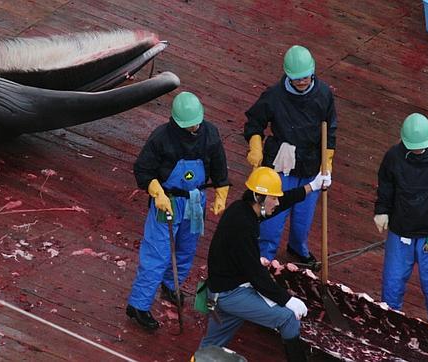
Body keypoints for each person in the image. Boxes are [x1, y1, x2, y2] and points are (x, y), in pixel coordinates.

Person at [199, 167, 331, 362]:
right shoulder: (243, 226)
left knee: (211, 346)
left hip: (220, 288)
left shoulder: (243, 209)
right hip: (230, 294)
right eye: (273, 198)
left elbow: (282, 201)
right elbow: (256, 275)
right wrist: (287, 300)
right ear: (259, 197)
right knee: (287, 318)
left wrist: (311, 186)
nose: (277, 203)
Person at [126, 91, 230, 330]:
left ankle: (171, 286)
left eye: (197, 123)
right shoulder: (161, 138)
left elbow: (219, 166)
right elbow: (143, 169)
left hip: (194, 201)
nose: (194, 127)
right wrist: (157, 191)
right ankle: (138, 305)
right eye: (189, 124)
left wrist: (221, 193)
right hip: (168, 201)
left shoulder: (210, 133)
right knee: (157, 253)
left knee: (187, 247)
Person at [243, 45, 337, 264]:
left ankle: (298, 248)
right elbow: (254, 123)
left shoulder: (324, 94)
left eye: (305, 77)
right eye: (296, 78)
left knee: (304, 216)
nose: (302, 81)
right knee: (272, 215)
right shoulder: (273, 96)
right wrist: (256, 147)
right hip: (281, 163)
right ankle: (264, 255)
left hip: (311, 162)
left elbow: (330, 130)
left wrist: (327, 164)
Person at [374, 113, 428, 328]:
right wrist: (382, 211)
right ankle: (389, 318)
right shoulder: (393, 157)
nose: (417, 150)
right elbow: (385, 186)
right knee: (393, 279)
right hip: (400, 231)